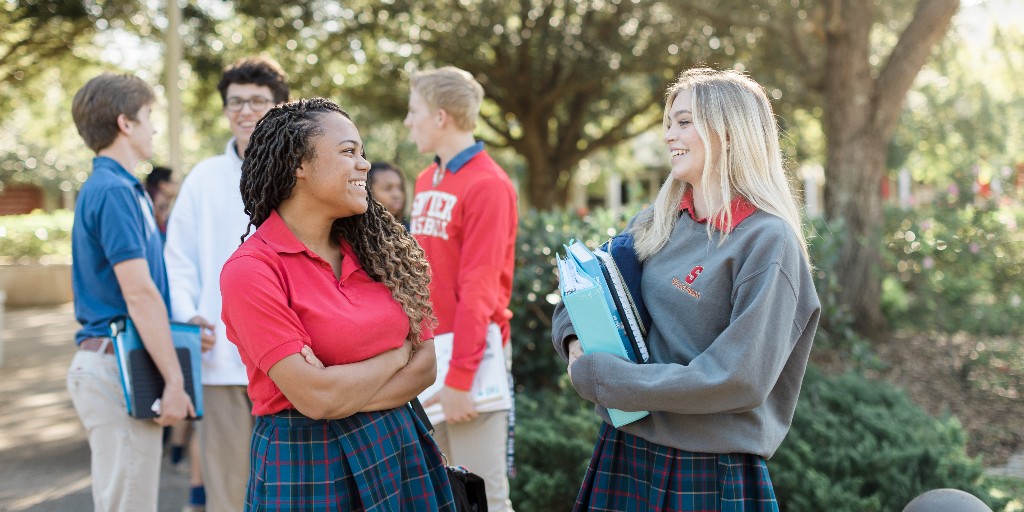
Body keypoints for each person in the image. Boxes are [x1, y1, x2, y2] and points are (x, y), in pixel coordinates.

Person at [551, 68, 821, 510]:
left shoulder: (769, 242)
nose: (668, 135)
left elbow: (739, 378)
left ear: (728, 134)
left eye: (683, 122)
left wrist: (614, 381)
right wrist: (574, 342)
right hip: (625, 447)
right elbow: (583, 290)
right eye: (669, 123)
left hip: (708, 467)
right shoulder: (657, 220)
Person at [219, 97, 455, 510]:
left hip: (399, 444)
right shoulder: (251, 270)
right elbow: (317, 398)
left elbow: (426, 367)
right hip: (308, 462)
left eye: (362, 153)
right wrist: (398, 354)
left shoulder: (384, 253)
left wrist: (338, 388)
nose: (365, 164)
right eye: (349, 152)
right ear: (298, 163)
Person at [163, 56, 289, 512]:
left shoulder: (302, 171)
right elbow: (178, 259)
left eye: (257, 101)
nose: (245, 111)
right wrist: (189, 318)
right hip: (220, 359)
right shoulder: (203, 178)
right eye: (236, 102)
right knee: (228, 492)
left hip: (294, 362)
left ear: (280, 106)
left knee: (294, 490)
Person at [67, 72, 195, 512]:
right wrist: (174, 381)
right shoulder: (115, 191)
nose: (154, 127)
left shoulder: (118, 188)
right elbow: (139, 294)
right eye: (148, 116)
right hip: (115, 367)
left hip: (115, 363)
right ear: (126, 123)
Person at [405, 65, 518, 512]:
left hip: (471, 361)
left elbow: (480, 289)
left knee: (483, 497)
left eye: (414, 111)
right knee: (438, 496)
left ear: (440, 117)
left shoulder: (489, 185)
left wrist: (460, 378)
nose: (408, 122)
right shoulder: (425, 179)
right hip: (428, 356)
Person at [145, 165, 177, 239]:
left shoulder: (166, 205)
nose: (177, 186)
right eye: (174, 182)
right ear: (162, 184)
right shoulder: (150, 204)